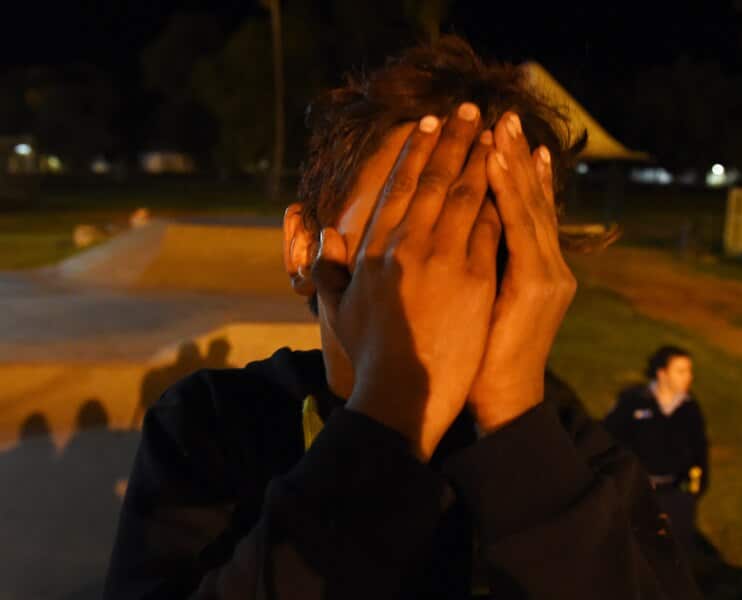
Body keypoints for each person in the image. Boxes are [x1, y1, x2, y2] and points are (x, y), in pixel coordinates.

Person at [103, 36, 701, 599]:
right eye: (413, 221)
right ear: (303, 247)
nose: (451, 268)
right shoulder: (213, 428)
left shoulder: (574, 457)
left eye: (493, 230)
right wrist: (387, 416)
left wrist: (517, 424)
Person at [604, 345, 709, 554]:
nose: (689, 377)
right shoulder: (633, 402)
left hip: (675, 494)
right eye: (681, 371)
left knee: (674, 551)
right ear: (662, 373)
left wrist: (694, 491)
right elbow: (609, 439)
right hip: (634, 491)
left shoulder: (690, 408)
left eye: (689, 371)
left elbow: (700, 450)